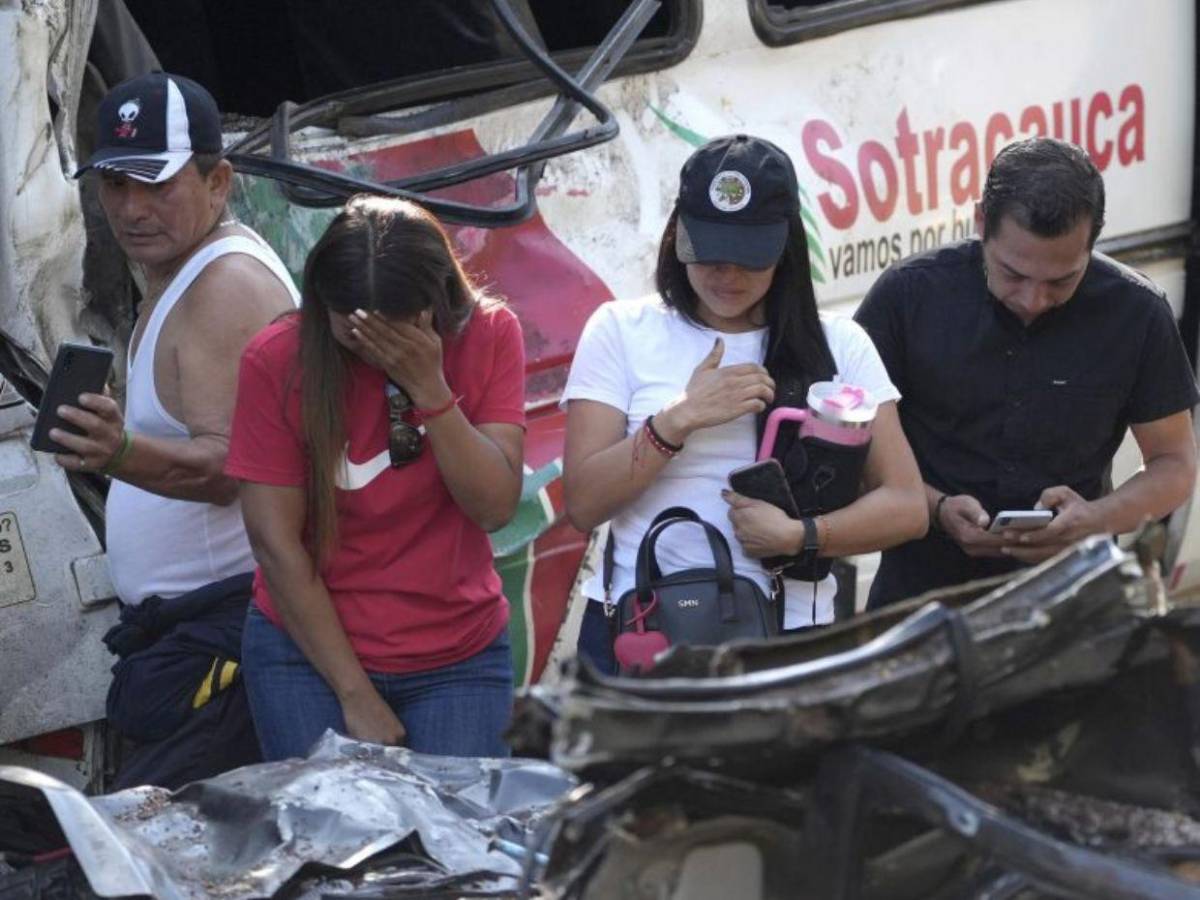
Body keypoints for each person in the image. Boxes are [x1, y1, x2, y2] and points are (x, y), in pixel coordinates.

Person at [562, 134, 928, 673]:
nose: (727, 275)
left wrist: (802, 536)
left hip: (786, 638)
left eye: (749, 258)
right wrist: (678, 420)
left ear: (785, 248)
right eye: (709, 254)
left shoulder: (840, 344)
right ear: (678, 237)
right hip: (646, 630)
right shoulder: (620, 329)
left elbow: (906, 506)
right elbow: (584, 504)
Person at [60, 72, 299, 787]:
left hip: (227, 635)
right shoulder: (182, 268)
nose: (131, 209)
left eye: (156, 185)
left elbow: (233, 471)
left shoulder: (222, 288)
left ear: (218, 180)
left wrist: (120, 451)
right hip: (198, 635)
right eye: (115, 185)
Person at [225, 195, 525, 759]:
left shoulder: (488, 332)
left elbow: (494, 507)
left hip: (456, 655)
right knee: (333, 845)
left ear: (436, 301)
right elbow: (275, 544)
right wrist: (354, 694)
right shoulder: (276, 358)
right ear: (322, 304)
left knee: (459, 839)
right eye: (353, 326)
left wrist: (431, 390)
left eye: (395, 326)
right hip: (309, 656)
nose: (374, 343)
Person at [854, 137, 1200, 606]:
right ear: (980, 222)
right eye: (1012, 273)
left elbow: (1174, 464)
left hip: (1073, 601)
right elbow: (848, 449)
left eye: (1062, 281)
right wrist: (933, 507)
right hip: (919, 602)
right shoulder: (908, 297)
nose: (1032, 300)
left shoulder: (1136, 313)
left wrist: (1096, 518)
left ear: (1093, 243)